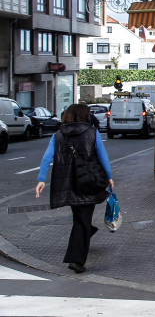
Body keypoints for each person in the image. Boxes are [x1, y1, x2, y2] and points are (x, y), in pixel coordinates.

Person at [34, 104, 114, 274]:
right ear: (85, 116)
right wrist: (109, 176)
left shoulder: (58, 134)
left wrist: (41, 179)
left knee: (79, 217)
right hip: (87, 182)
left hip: (68, 183)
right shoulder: (92, 132)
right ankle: (76, 260)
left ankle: (85, 235)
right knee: (83, 220)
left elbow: (47, 156)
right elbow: (102, 156)